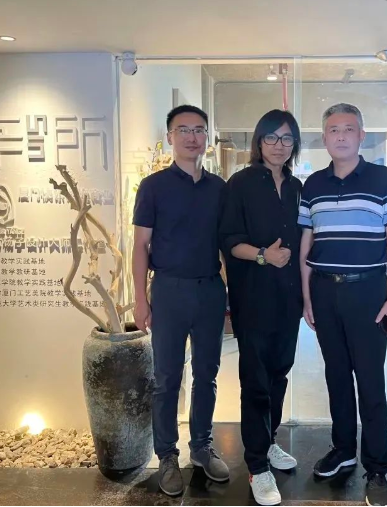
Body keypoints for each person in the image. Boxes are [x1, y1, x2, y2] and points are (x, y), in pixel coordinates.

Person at [298, 103, 387, 507]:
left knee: (371, 381)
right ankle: (343, 450)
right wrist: (307, 297)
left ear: (361, 135)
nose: (340, 135)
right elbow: (306, 244)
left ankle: (377, 467)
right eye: (333, 129)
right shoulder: (312, 185)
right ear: (324, 137)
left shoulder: (383, 179)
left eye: (348, 128)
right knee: (337, 376)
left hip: (368, 292)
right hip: (325, 291)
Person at [132, 105, 230, 497]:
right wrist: (140, 299)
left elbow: (226, 245)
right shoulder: (153, 186)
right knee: (167, 378)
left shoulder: (220, 188)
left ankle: (201, 446)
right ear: (170, 136)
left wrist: (232, 294)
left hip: (210, 290)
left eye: (199, 130)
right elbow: (140, 246)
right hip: (169, 290)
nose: (192, 137)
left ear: (207, 137)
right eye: (183, 129)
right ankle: (168, 456)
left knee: (207, 373)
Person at [220, 109, 303, 506]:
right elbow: (228, 240)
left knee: (279, 373)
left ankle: (268, 442)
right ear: (259, 141)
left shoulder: (297, 187)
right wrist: (262, 256)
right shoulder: (240, 183)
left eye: (286, 138)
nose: (278, 145)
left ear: (294, 144)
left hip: (289, 298)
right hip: (253, 296)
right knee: (254, 379)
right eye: (271, 137)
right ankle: (256, 465)